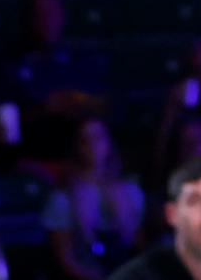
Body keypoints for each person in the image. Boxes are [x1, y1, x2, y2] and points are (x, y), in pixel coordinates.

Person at [44, 116, 145, 280]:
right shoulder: (62, 199)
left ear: (109, 143)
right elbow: (65, 260)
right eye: (85, 140)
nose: (92, 145)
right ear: (76, 147)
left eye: (98, 137)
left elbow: (139, 246)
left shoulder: (130, 192)